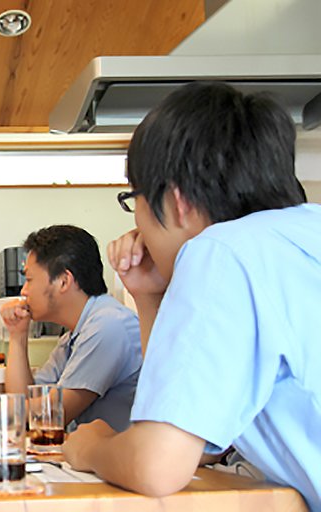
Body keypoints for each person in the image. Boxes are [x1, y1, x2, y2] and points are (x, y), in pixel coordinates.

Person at [62, 82, 320, 511]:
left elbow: (157, 464)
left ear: (176, 202)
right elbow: (198, 436)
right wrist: (149, 298)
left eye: (134, 200)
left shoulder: (220, 251)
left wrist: (91, 448)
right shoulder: (297, 233)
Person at [0, 225, 141, 433]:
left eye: (30, 280)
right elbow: (24, 402)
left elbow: (54, 413)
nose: (24, 291)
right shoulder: (72, 337)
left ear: (63, 281)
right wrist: (17, 335)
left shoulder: (108, 325)